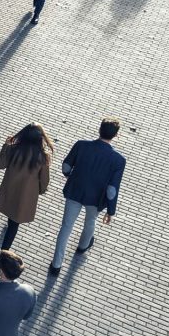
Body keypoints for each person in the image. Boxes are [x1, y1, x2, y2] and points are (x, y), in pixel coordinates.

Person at [48, 117, 126, 276]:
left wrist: (69, 176)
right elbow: (111, 189)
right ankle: (83, 246)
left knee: (66, 226)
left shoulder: (81, 145)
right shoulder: (118, 160)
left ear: (99, 130)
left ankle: (56, 265)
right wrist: (111, 211)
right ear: (116, 135)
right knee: (90, 220)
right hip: (96, 198)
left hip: (75, 191)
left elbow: (66, 166)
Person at [0, 123, 53, 250]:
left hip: (10, 191)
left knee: (11, 219)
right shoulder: (43, 157)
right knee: (14, 225)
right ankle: (4, 253)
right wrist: (40, 191)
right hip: (25, 197)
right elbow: (44, 181)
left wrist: (6, 145)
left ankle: (4, 251)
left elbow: (1, 164)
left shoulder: (14, 149)